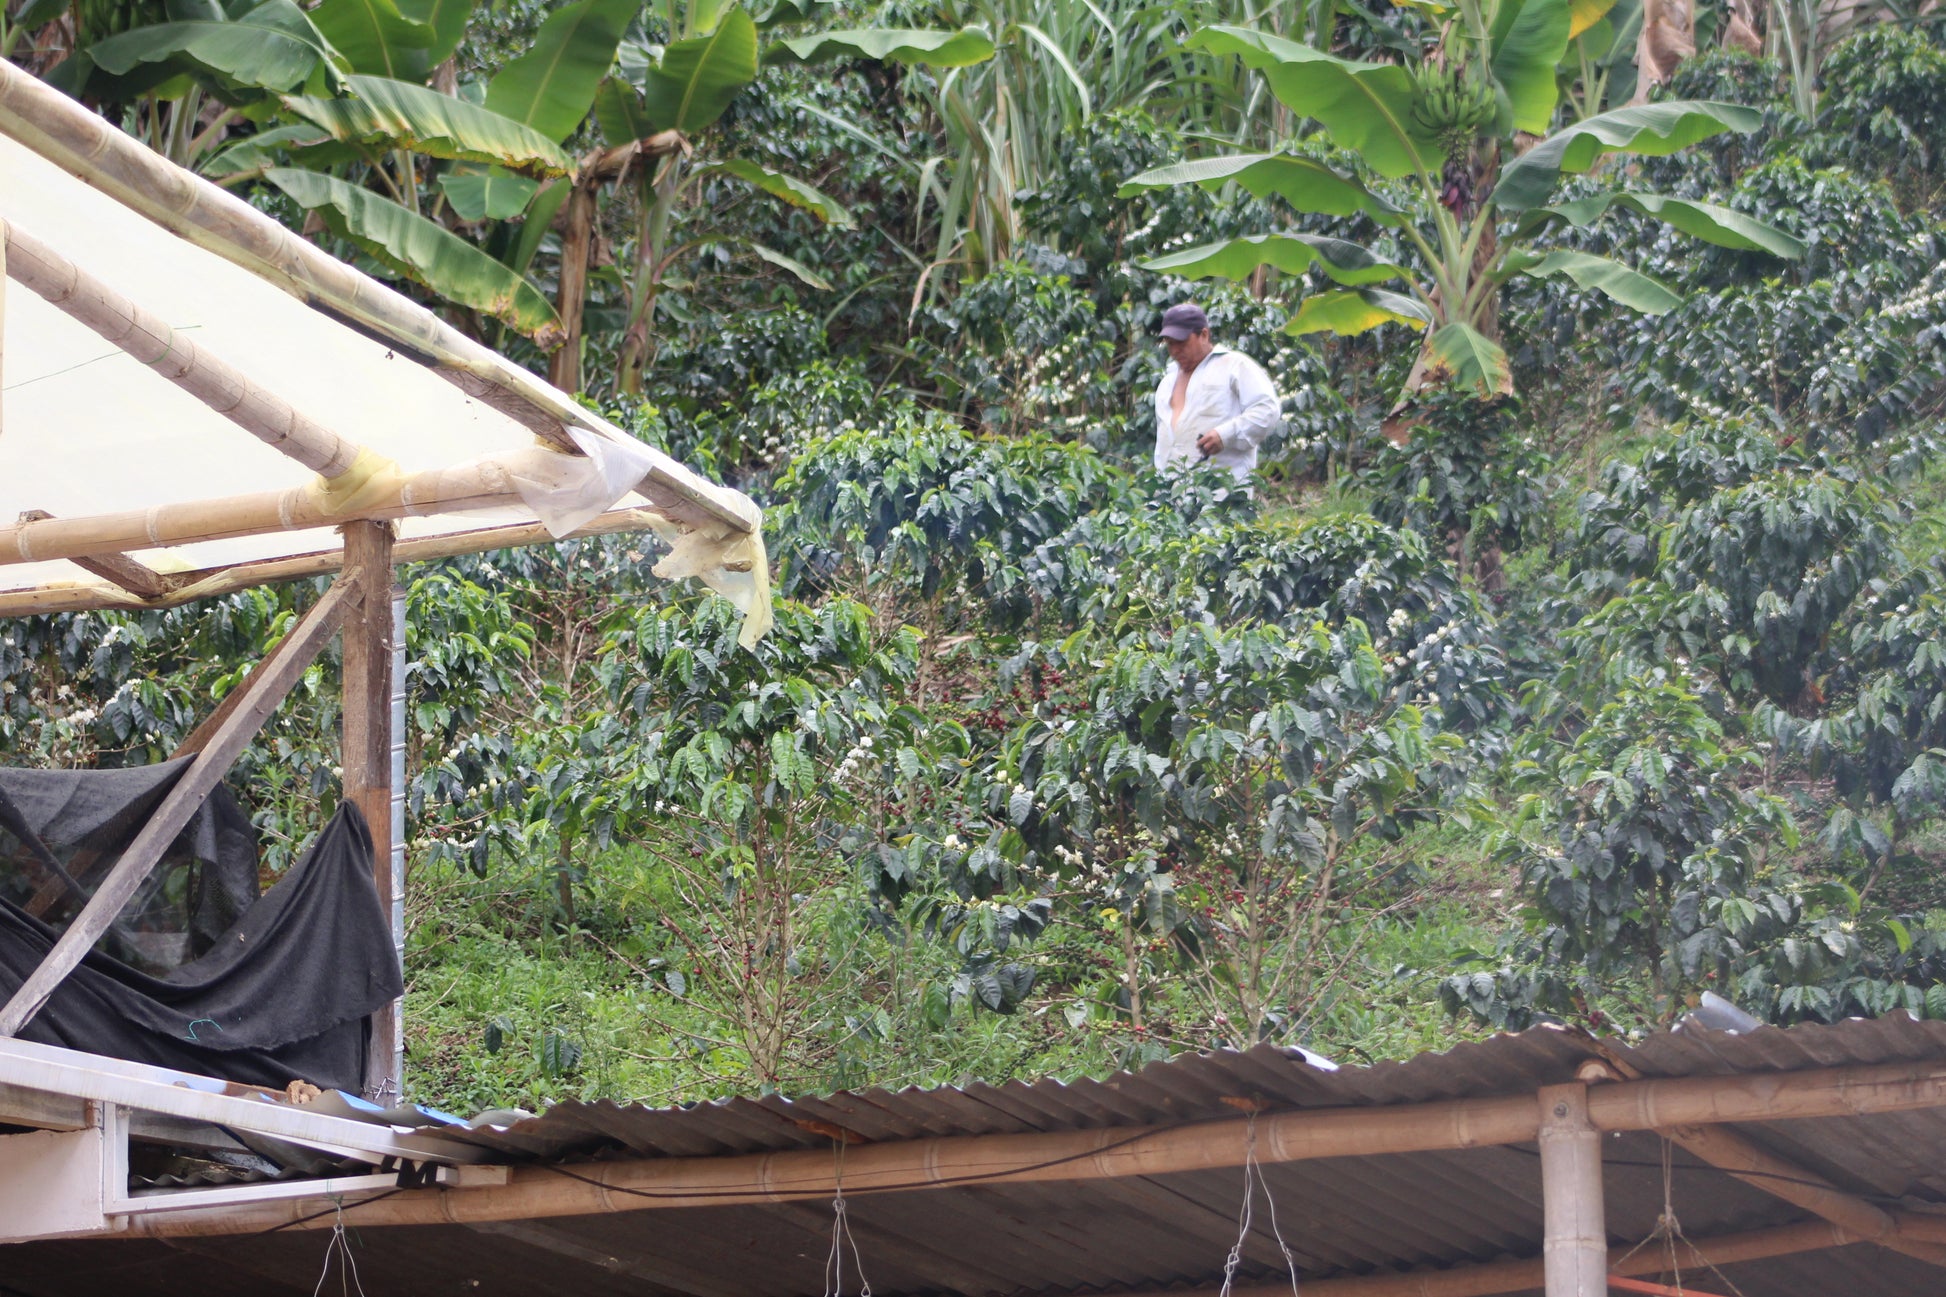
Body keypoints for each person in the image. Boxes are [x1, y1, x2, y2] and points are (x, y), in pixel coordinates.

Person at [1151, 302, 1281, 481]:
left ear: (1203, 335)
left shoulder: (1234, 366)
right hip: (1173, 494)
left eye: (1181, 342)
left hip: (1223, 492)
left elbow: (1267, 410)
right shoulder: (1167, 382)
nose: (1174, 350)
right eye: (1170, 344)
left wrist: (1225, 435)